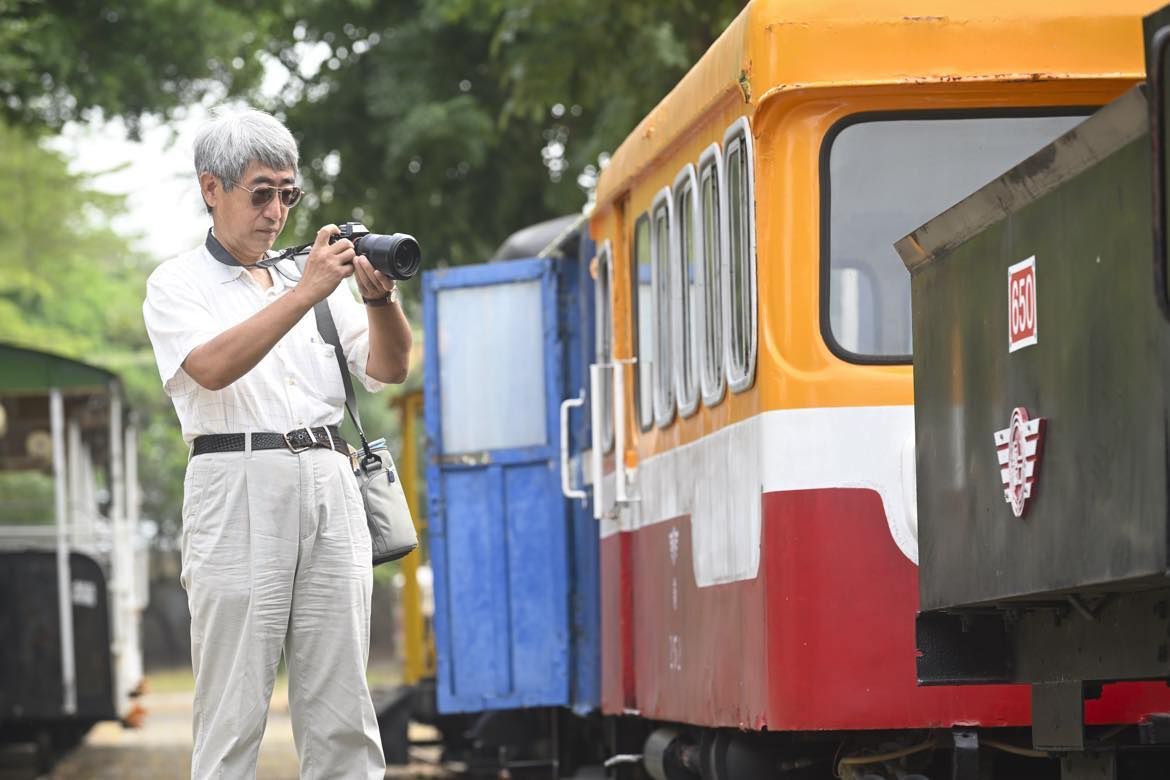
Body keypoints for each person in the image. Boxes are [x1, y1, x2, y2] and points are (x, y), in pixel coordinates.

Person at [142, 107, 410, 779]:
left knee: (344, 706)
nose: (276, 211)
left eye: (287, 194)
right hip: (235, 480)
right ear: (212, 189)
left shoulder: (304, 276)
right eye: (261, 193)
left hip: (329, 475)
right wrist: (309, 290)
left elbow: (389, 369)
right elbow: (209, 367)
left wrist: (379, 300)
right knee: (233, 709)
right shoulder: (178, 283)